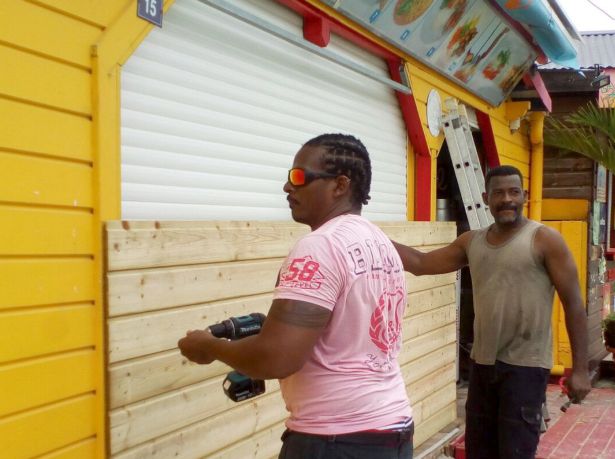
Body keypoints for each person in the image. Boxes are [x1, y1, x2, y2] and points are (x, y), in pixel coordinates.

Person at [178, 133, 413, 459]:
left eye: (299, 177)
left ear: (340, 185)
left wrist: (210, 347)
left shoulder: (320, 247)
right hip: (393, 428)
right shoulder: (379, 242)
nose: (288, 187)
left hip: (335, 440)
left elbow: (277, 359)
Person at [392, 165, 590, 459]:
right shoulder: (472, 242)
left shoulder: (544, 240)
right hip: (483, 366)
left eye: (513, 192)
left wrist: (581, 370)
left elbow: (574, 303)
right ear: (486, 197)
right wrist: (370, 235)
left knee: (515, 452)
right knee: (479, 452)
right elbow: (421, 264)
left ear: (523, 195)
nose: (506, 199)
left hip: (526, 367)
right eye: (499, 193)